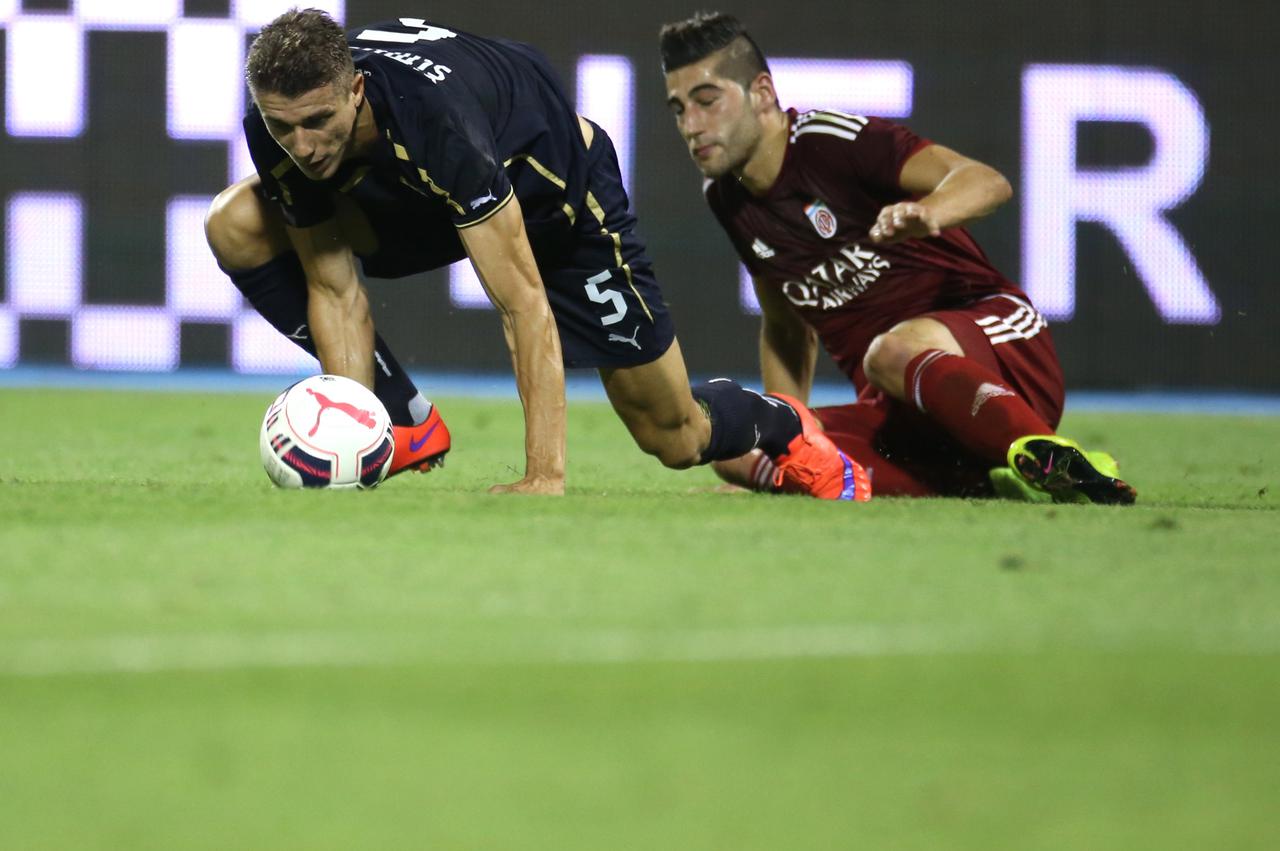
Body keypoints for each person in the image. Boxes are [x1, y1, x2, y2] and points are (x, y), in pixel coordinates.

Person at [205, 10, 870, 499]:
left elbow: (522, 302)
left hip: (563, 202)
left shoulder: (436, 121)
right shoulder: (286, 126)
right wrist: (350, 436)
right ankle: (402, 421)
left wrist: (543, 474)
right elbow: (334, 290)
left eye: (317, 121)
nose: (302, 144)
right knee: (237, 220)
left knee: (673, 435)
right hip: (419, 194)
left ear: (354, 92)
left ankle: (778, 421)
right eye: (282, 126)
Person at [658, 12, 1136, 504]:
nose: (691, 126)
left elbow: (987, 182)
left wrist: (930, 212)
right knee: (739, 449)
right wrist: (787, 438)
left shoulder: (831, 142)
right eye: (678, 110)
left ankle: (1046, 450)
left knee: (890, 352)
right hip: (906, 405)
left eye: (707, 101)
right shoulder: (726, 197)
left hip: (1004, 355)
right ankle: (995, 479)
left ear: (761, 93)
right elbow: (785, 327)